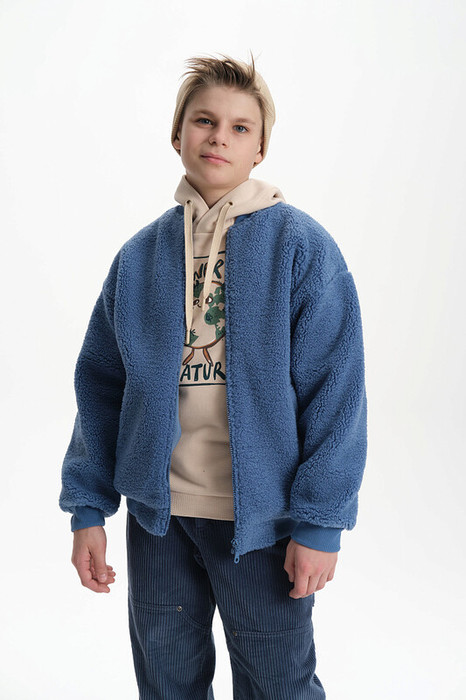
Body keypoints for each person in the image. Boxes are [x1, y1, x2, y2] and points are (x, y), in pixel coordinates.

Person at [59, 51, 368, 699]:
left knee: (278, 687)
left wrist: (320, 522)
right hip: (159, 519)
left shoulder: (300, 247)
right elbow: (102, 388)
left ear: (260, 149)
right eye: (204, 120)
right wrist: (88, 507)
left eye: (239, 127)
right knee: (167, 684)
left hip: (262, 524)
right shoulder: (139, 258)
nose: (219, 137)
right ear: (178, 136)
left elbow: (336, 391)